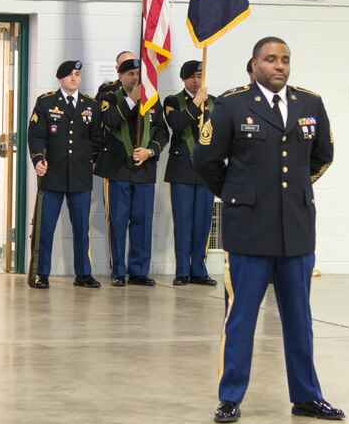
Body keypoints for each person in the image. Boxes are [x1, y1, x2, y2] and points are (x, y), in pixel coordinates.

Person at [194, 36, 344, 424]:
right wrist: (237, 193)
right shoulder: (231, 104)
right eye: (271, 59)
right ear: (255, 63)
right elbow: (206, 160)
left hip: (296, 229)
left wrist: (294, 191)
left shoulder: (309, 103)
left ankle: (307, 396)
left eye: (285, 60)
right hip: (248, 231)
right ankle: (230, 397)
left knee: (299, 319)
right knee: (241, 318)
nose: (279, 66)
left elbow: (323, 156)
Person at [27, 60, 104, 288]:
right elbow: (36, 135)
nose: (74, 78)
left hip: (80, 177)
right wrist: (38, 159)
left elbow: (97, 138)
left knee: (82, 228)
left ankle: (83, 274)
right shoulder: (46, 102)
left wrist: (90, 159)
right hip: (52, 174)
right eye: (70, 75)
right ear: (60, 78)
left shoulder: (90, 104)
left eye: (77, 74)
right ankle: (41, 273)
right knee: (46, 227)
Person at [94, 58, 168, 286]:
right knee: (118, 222)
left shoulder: (153, 99)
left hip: (144, 169)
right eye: (131, 74)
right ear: (121, 76)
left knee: (142, 221)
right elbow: (110, 120)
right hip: (118, 170)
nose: (136, 78)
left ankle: (139, 271)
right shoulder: (109, 97)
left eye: (138, 74)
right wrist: (131, 100)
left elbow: (162, 132)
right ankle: (118, 271)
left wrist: (150, 151)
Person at [163, 60, 217, 286]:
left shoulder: (214, 102)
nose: (196, 81)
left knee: (203, 223)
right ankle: (183, 270)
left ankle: (199, 269)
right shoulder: (173, 101)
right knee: (183, 223)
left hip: (205, 171)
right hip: (182, 169)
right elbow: (178, 124)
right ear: (184, 78)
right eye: (192, 77)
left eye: (199, 76)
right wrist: (196, 102)